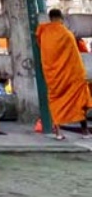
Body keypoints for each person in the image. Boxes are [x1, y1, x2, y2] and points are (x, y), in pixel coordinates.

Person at [35, 8, 91, 139]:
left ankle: (59, 133)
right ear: (61, 18)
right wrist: (80, 74)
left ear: (50, 18)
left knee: (56, 102)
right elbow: (75, 57)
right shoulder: (67, 34)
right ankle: (85, 131)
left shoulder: (43, 33)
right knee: (78, 101)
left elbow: (41, 47)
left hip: (53, 76)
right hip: (71, 76)